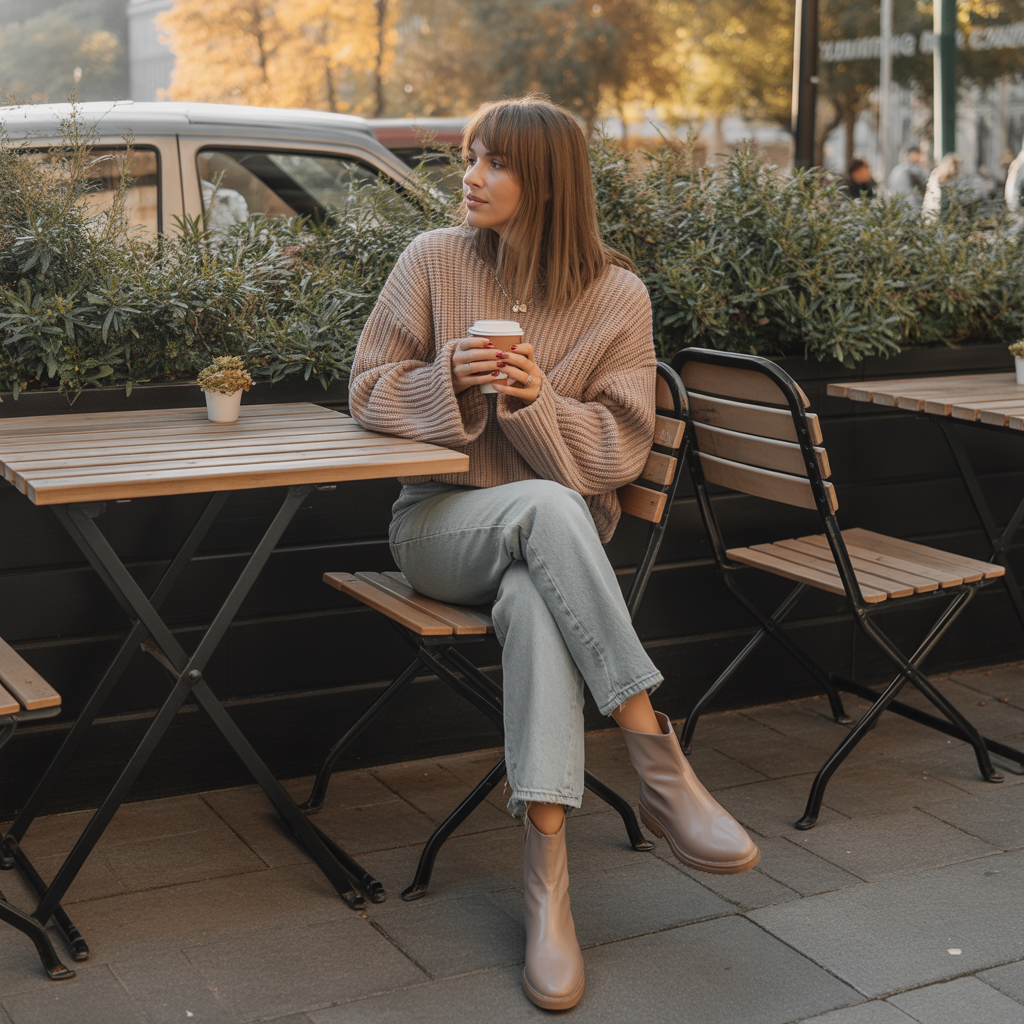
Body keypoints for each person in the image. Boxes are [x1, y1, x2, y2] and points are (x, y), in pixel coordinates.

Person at [348, 95, 759, 1012]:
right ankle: (656, 754)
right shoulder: (432, 260)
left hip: (555, 551)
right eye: (469, 157)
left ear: (548, 181)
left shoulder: (618, 296)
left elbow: (619, 449)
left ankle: (549, 891)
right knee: (540, 510)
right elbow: (367, 389)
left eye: (494, 162)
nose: (471, 175)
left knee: (539, 598)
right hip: (439, 530)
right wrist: (446, 376)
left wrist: (535, 403)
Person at [887, 145, 928, 210]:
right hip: (911, 207)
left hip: (898, 207)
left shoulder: (896, 170)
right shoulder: (915, 170)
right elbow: (925, 183)